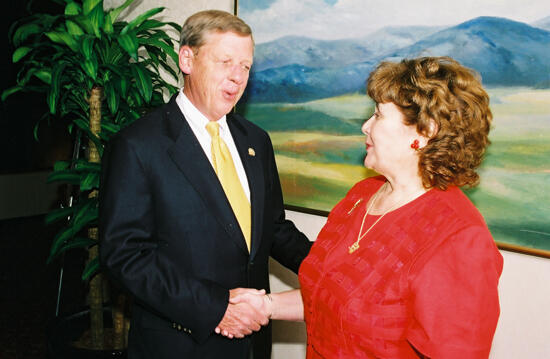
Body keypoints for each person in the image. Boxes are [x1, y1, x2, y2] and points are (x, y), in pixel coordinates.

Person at [231, 56, 504, 358]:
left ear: (424, 131)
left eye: (378, 115)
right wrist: (266, 306)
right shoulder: (362, 196)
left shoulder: (459, 239)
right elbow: (330, 299)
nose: (365, 127)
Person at [99, 10, 311, 359]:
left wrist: (330, 266)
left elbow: (272, 229)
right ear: (187, 58)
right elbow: (125, 257)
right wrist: (217, 307)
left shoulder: (256, 140)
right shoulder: (138, 145)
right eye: (225, 61)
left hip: (253, 344)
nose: (237, 76)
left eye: (245, 66)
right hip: (180, 344)